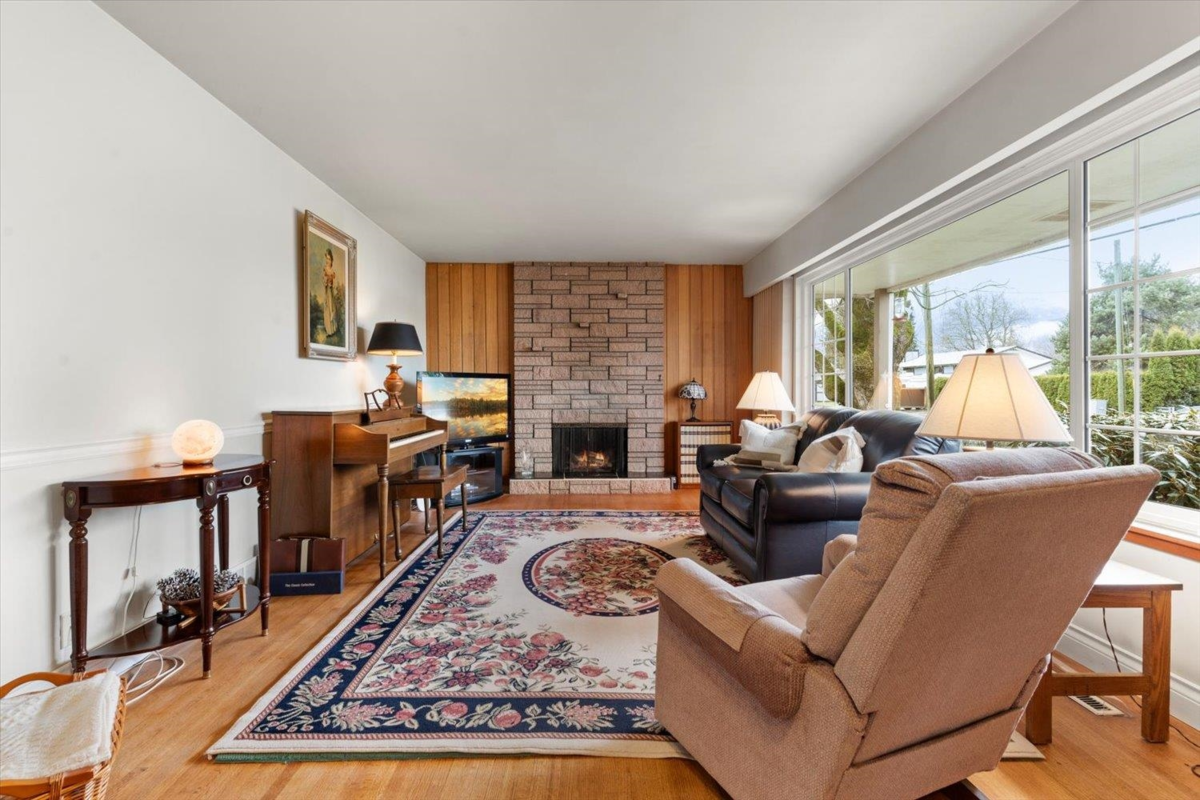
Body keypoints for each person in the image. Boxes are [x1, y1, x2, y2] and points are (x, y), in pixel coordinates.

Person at [322, 248, 338, 337]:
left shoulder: (332, 271)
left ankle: (333, 329)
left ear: (332, 260)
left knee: (332, 308)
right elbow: (324, 280)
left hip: (330, 291)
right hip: (327, 290)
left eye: (329, 259)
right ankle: (329, 330)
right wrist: (326, 281)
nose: (328, 261)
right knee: (327, 307)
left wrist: (330, 282)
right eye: (327, 259)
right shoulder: (325, 269)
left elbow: (332, 281)